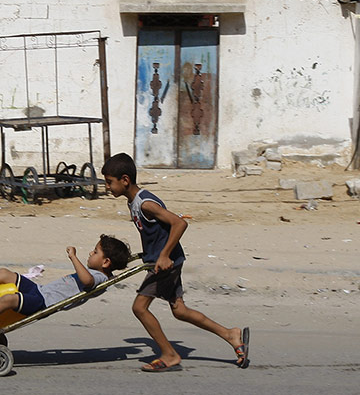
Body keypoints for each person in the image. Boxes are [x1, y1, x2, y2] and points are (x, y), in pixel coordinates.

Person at [101, 152, 250, 372]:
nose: (107, 187)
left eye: (109, 182)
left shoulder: (145, 204)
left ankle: (170, 355)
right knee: (179, 311)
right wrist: (149, 254)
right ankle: (230, 334)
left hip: (166, 263)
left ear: (125, 180)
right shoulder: (133, 202)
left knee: (140, 308)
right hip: (162, 260)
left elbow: (179, 224)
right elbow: (156, 233)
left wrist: (163, 255)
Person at [0, 234, 131, 321]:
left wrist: (74, 257)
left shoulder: (99, 278)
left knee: (9, 299)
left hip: (43, 303)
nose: (91, 253)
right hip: (40, 292)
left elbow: (87, 282)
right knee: (4, 274)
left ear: (105, 262)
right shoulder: (97, 273)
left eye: (95, 252)